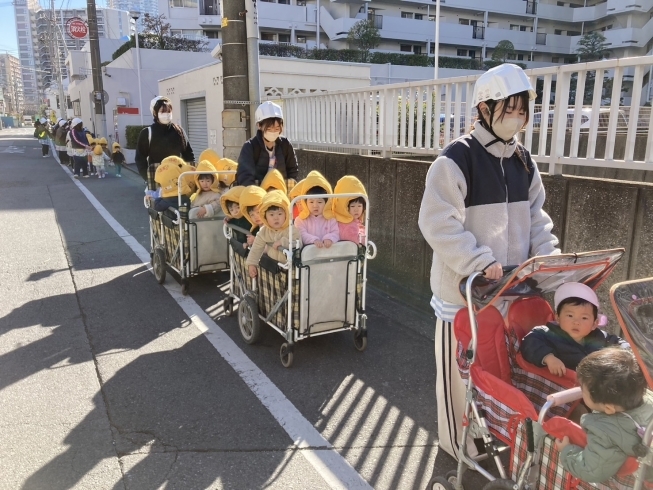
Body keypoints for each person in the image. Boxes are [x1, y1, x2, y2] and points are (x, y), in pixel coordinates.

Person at [418, 63, 560, 461]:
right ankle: (456, 451)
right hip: (463, 296)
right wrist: (478, 261)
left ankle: (497, 440)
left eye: (521, 109)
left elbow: (537, 219)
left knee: (499, 378)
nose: (517, 117)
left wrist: (548, 258)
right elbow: (437, 223)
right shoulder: (455, 160)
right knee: (457, 382)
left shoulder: (524, 162)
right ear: (484, 108)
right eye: (508, 108)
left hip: (511, 292)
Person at [555, 349, 653, 484]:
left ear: (608, 409)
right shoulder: (647, 397)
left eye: (583, 390)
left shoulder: (605, 431)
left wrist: (567, 451)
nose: (580, 391)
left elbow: (591, 470)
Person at [520, 282, 629, 375]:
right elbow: (530, 341)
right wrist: (548, 358)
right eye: (570, 316)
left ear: (594, 324)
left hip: (597, 384)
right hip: (564, 388)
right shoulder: (549, 333)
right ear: (558, 317)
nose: (576, 322)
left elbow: (616, 341)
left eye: (584, 318)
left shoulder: (598, 336)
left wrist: (628, 352)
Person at [135, 96, 195, 189]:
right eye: (163, 112)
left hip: (178, 181)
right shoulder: (147, 133)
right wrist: (148, 178)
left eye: (169, 111)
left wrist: (189, 174)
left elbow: (188, 154)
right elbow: (140, 158)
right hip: (157, 181)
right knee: (159, 203)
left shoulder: (179, 131)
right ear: (155, 113)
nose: (167, 114)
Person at [236, 101, 298, 187]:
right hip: (258, 192)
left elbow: (293, 170)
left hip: (281, 192)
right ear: (259, 126)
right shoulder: (250, 146)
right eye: (269, 128)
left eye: (277, 128)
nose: (273, 132)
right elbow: (245, 175)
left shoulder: (285, 145)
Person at [246, 190, 302, 278]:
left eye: (280, 214)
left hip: (290, 270)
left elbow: (299, 243)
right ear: (265, 216)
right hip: (272, 267)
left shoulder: (292, 229)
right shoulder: (264, 231)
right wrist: (251, 264)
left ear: (286, 214)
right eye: (271, 215)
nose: (276, 218)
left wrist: (283, 242)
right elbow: (256, 248)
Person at [293, 171, 339, 249]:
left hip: (328, 254)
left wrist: (329, 238)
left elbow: (336, 232)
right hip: (308, 256)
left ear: (327, 202)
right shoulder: (300, 220)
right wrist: (314, 240)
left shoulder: (331, 219)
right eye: (311, 202)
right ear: (305, 202)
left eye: (320, 202)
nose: (315, 206)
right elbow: (301, 234)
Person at [333, 175, 367, 244]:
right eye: (352, 206)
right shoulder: (346, 225)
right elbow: (355, 240)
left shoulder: (355, 221)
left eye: (359, 206)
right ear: (345, 207)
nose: (356, 210)